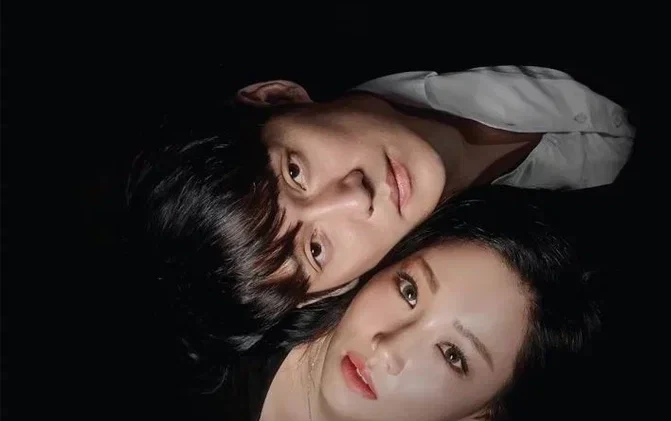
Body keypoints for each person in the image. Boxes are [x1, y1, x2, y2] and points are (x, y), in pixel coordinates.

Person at [171, 187, 603, 421]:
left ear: (483, 412)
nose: (387, 347)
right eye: (409, 291)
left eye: (452, 355)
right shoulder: (240, 318)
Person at [125, 65, 630, 351]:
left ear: (276, 97)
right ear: (339, 288)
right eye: (316, 250)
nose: (355, 197)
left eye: (295, 172)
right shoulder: (543, 279)